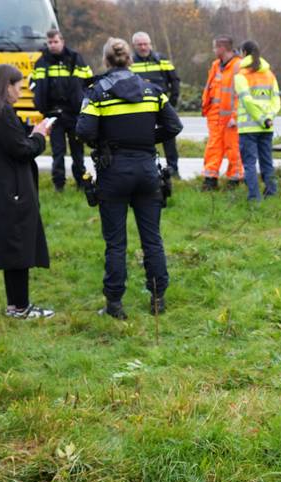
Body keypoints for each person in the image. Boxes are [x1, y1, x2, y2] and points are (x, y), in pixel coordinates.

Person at [77, 37, 182, 320]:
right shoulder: (152, 90)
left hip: (114, 173)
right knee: (152, 239)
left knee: (116, 243)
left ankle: (114, 304)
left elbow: (84, 131)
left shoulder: (97, 92)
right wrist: (148, 139)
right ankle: (158, 299)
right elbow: (174, 125)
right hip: (148, 171)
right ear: (130, 60)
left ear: (106, 61)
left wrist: (108, 143)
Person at [0, 64, 54, 319]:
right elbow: (22, 150)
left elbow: (9, 143)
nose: (20, 92)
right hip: (13, 190)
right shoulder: (3, 112)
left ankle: (13, 305)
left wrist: (28, 133)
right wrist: (40, 136)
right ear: (6, 86)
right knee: (19, 245)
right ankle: (21, 307)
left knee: (10, 245)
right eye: (18, 87)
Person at [30, 29, 94, 191]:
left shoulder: (75, 59)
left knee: (77, 151)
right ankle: (59, 184)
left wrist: (83, 102)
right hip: (53, 113)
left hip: (73, 113)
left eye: (55, 42)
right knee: (57, 152)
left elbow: (88, 81)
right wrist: (39, 102)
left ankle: (81, 182)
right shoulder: (42, 62)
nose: (52, 45)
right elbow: (33, 84)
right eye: (49, 42)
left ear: (62, 42)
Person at [234, 40, 280, 202]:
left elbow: (247, 102)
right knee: (267, 161)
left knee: (249, 164)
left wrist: (261, 119)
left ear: (244, 53)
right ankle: (272, 193)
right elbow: (276, 102)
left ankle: (254, 198)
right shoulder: (270, 75)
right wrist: (268, 118)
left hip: (248, 129)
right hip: (266, 127)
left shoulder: (241, 77)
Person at [130, 31, 181, 178]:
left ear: (150, 44)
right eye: (140, 44)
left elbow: (175, 80)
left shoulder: (161, 60)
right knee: (144, 140)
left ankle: (174, 170)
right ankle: (148, 171)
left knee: (169, 139)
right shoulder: (130, 62)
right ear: (134, 46)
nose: (143, 47)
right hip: (141, 109)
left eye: (146, 44)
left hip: (162, 107)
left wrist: (172, 102)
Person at [201, 36, 243, 190]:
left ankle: (234, 180)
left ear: (222, 48)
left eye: (215, 48)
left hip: (231, 118)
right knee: (213, 148)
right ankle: (210, 180)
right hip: (215, 116)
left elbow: (241, 95)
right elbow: (210, 88)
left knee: (234, 149)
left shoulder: (238, 66)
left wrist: (235, 116)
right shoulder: (216, 65)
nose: (213, 51)